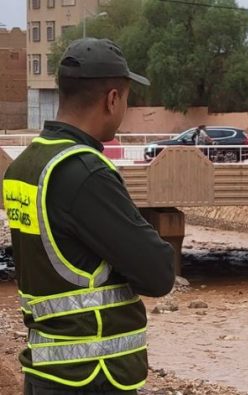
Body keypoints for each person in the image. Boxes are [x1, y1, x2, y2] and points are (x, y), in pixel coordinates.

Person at [3, 38, 175, 394]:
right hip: (92, 376)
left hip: (46, 372)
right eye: (126, 99)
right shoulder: (84, 174)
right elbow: (158, 273)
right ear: (112, 99)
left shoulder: (25, 166)